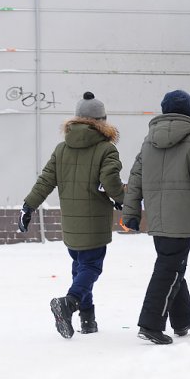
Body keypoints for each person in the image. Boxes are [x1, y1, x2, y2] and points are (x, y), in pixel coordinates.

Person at [122, 89, 190, 345]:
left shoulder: (149, 140)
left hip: (158, 217)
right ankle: (150, 324)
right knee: (169, 268)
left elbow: (135, 179)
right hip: (182, 215)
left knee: (171, 264)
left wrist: (131, 213)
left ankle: (183, 319)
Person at [18, 92, 125, 339]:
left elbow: (46, 180)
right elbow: (110, 180)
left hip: (71, 224)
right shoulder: (106, 148)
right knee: (91, 267)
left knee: (80, 267)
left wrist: (28, 206)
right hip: (95, 223)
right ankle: (70, 301)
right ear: (102, 120)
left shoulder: (62, 148)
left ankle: (88, 320)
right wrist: (121, 200)